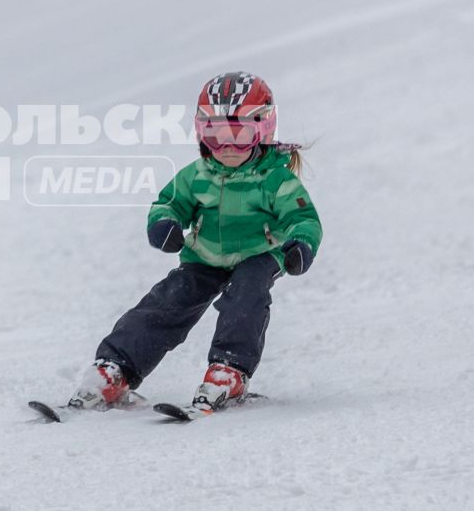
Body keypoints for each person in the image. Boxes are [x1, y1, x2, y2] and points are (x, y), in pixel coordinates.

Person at [70, 71, 321, 415]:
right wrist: (165, 224)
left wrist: (299, 245)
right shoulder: (198, 174)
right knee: (168, 301)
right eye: (216, 135)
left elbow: (303, 219)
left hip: (258, 254)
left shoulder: (276, 179)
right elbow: (169, 202)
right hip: (205, 256)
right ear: (201, 133)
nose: (228, 147)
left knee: (245, 296)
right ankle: (115, 369)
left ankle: (228, 371)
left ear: (263, 131)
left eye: (240, 134)